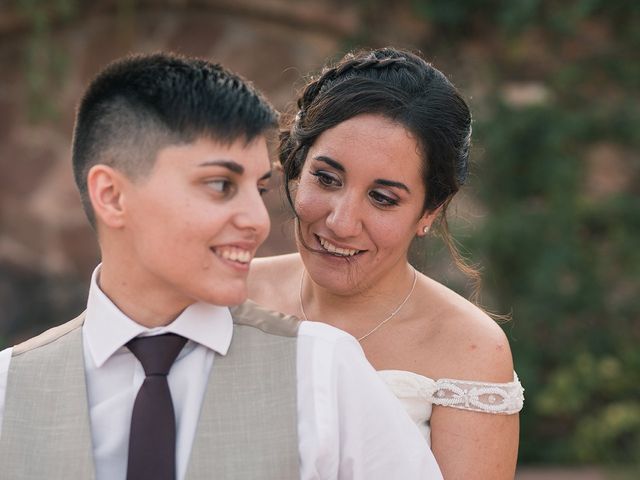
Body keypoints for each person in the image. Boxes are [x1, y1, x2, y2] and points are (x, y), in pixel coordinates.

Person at [0, 53, 443, 479]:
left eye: (260, 188)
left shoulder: (322, 370)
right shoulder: (8, 389)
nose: (256, 221)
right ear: (112, 196)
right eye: (220, 185)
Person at [248, 47, 524, 479]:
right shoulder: (231, 297)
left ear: (430, 210)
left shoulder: (469, 349)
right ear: (298, 167)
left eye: (383, 198)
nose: (340, 222)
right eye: (327, 178)